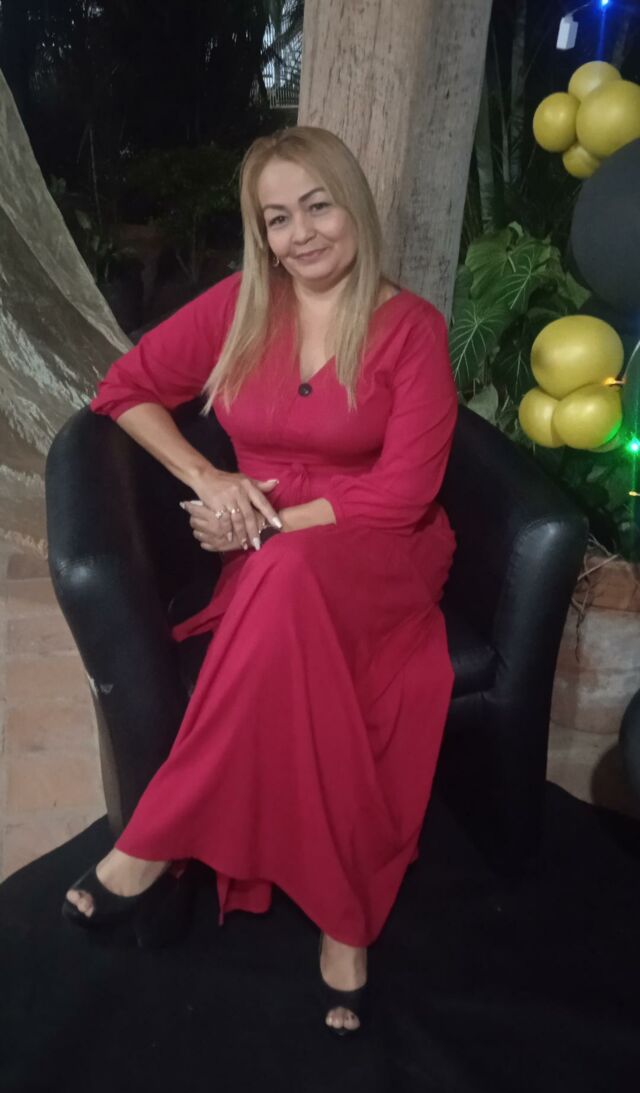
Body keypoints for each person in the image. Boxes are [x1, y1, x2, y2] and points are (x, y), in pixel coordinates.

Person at [61, 125, 459, 1037]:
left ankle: (153, 838)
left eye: (318, 206)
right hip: (272, 549)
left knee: (283, 571)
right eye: (277, 218)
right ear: (261, 233)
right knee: (281, 581)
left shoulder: (412, 328)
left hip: (377, 548)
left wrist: (263, 523)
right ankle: (344, 918)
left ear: (354, 205)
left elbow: (402, 496)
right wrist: (211, 481)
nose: (301, 234)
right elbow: (121, 391)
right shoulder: (244, 304)